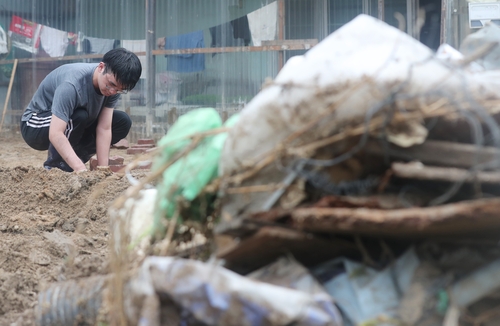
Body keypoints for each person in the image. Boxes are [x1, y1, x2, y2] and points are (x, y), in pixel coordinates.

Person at [20, 48, 142, 172]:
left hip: (74, 122)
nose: (112, 91)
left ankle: (73, 160)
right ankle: (56, 168)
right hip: (35, 124)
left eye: (119, 89)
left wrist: (102, 169)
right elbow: (55, 133)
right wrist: (80, 169)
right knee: (79, 115)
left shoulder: (112, 87)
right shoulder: (72, 85)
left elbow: (104, 128)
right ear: (101, 67)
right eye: (111, 85)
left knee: (122, 121)